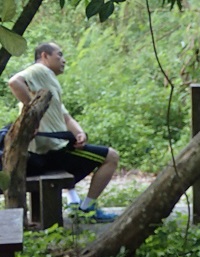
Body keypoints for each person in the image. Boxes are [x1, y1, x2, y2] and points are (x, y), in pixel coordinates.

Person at [7, 42, 120, 222]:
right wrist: (33, 112)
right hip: (47, 153)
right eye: (59, 55)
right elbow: (14, 82)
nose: (63, 60)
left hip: (53, 149)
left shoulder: (48, 81)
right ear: (44, 56)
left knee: (80, 150)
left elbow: (65, 117)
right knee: (111, 157)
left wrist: (79, 133)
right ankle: (86, 208)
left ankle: (74, 201)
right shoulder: (40, 70)